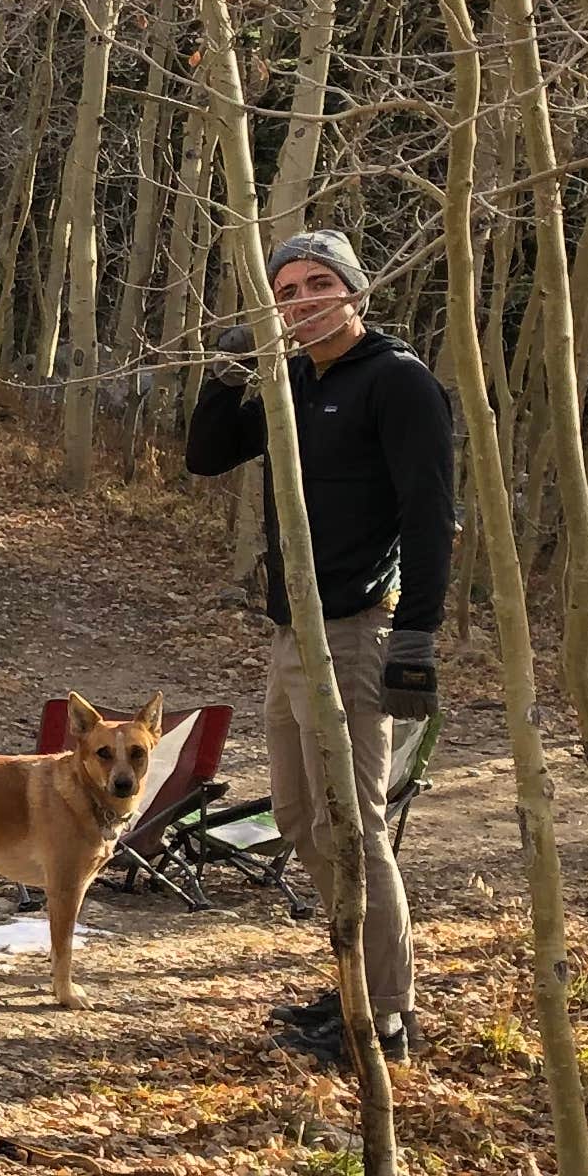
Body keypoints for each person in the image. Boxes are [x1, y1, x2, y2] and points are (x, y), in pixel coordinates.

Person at [184, 228, 455, 1058]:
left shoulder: (399, 382)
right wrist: (230, 366)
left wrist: (416, 637)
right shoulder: (291, 379)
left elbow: (430, 515)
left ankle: (387, 1018)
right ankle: (354, 986)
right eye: (287, 292)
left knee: (354, 826)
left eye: (317, 285)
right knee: (300, 816)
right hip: (292, 630)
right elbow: (206, 456)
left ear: (355, 290)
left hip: (359, 631)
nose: (302, 302)